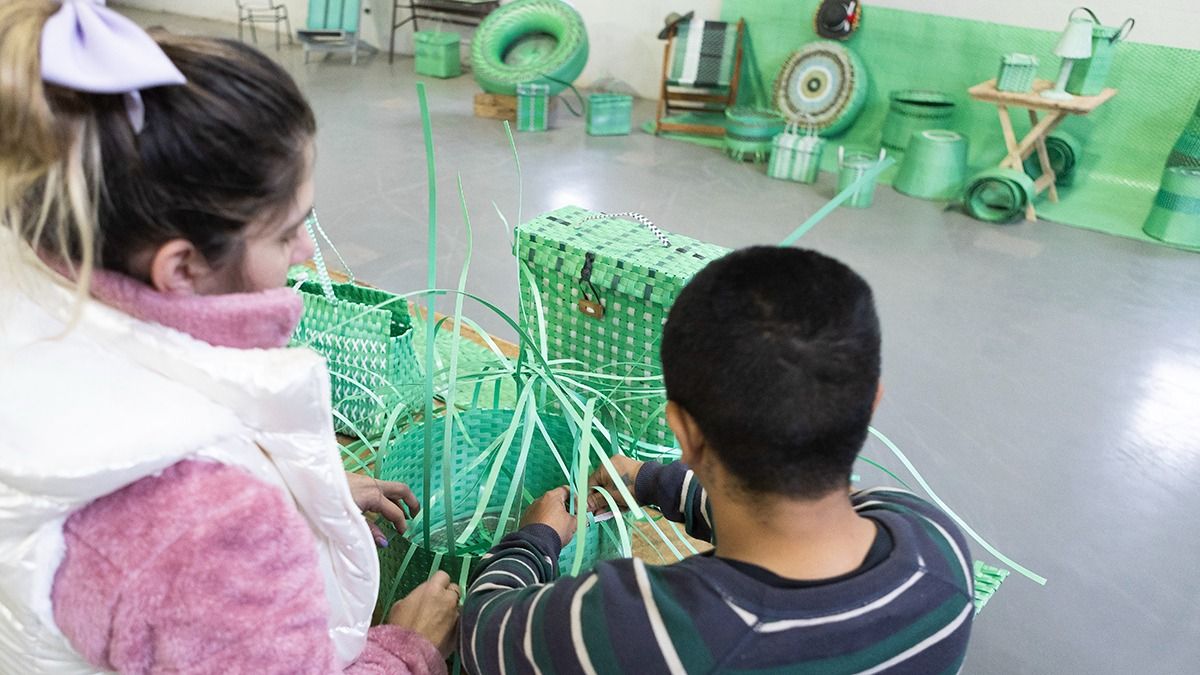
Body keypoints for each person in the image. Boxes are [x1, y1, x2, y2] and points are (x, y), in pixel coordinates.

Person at [0, 1, 457, 672]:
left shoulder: (33, 281)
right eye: (284, 231)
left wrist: (281, 477)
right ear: (181, 265)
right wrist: (407, 647)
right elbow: (181, 536)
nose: (306, 250)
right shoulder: (210, 525)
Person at [460, 247, 976, 673]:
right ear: (870, 406)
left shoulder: (642, 632)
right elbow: (790, 512)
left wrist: (534, 540)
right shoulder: (937, 546)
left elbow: (479, 630)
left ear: (683, 431)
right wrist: (650, 482)